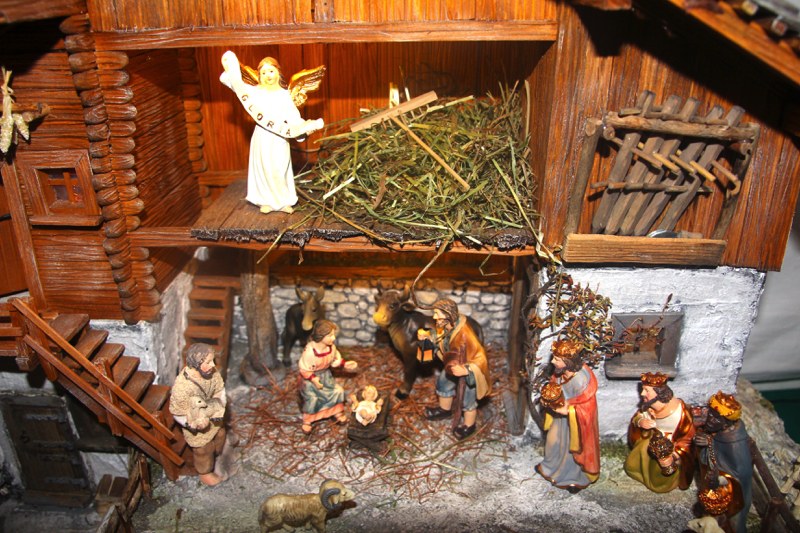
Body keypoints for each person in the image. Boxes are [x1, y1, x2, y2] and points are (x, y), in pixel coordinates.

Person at [220, 51, 324, 214]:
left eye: (271, 71)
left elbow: (293, 117)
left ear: (278, 73)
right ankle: (265, 200)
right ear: (259, 76)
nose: (268, 75)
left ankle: (283, 201)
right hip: (262, 136)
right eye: (263, 72)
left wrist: (303, 128)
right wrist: (230, 66)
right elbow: (232, 82)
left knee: (279, 168)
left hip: (280, 138)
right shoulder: (255, 91)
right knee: (264, 168)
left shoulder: (284, 95)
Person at [418, 298, 491, 440]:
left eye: (437, 313)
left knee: (468, 400)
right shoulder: (446, 326)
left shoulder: (465, 333)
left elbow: (481, 357)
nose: (434, 317)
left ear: (448, 315)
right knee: (443, 383)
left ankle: (469, 425)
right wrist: (428, 336)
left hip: (468, 371)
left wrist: (467, 370)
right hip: (451, 365)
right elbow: (441, 338)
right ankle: (444, 409)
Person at [535, 339, 600, 492]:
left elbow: (587, 407)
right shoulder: (560, 372)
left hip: (576, 423)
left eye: (557, 359)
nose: (552, 361)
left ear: (568, 362)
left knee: (572, 450)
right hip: (560, 419)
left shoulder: (580, 380)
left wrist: (569, 411)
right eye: (554, 357)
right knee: (553, 442)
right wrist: (549, 399)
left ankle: (574, 478)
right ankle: (550, 468)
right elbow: (555, 387)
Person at [624, 372, 695, 493]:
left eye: (646, 390)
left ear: (659, 393)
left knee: (660, 477)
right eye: (643, 389)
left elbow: (688, 440)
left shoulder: (680, 414)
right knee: (633, 463)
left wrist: (674, 455)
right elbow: (639, 416)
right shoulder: (649, 406)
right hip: (649, 443)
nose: (642, 393)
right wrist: (640, 421)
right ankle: (640, 470)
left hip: (668, 451)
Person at [169, 343, 228, 486]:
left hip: (214, 416)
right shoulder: (182, 387)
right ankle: (205, 473)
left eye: (212, 360)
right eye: (208, 362)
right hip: (197, 423)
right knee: (203, 450)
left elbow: (220, 389)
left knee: (220, 434)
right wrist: (191, 424)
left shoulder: (212, 373)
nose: (213, 365)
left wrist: (220, 404)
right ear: (196, 364)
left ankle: (218, 457)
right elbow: (177, 412)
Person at [694, 391, 753, 533]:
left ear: (727, 423)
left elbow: (740, 474)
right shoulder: (720, 431)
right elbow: (713, 447)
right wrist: (707, 442)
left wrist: (709, 443)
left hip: (730, 493)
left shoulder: (734, 444)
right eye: (711, 415)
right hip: (715, 489)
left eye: (716, 418)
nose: (710, 420)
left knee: (732, 523)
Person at [298, 320, 357, 434]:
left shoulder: (331, 347)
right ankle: (308, 419)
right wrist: (314, 379)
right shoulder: (310, 351)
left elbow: (334, 359)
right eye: (330, 335)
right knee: (313, 398)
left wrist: (345, 364)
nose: (333, 338)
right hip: (310, 380)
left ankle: (336, 412)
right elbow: (304, 369)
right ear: (321, 335)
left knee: (338, 391)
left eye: (333, 335)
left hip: (326, 376)